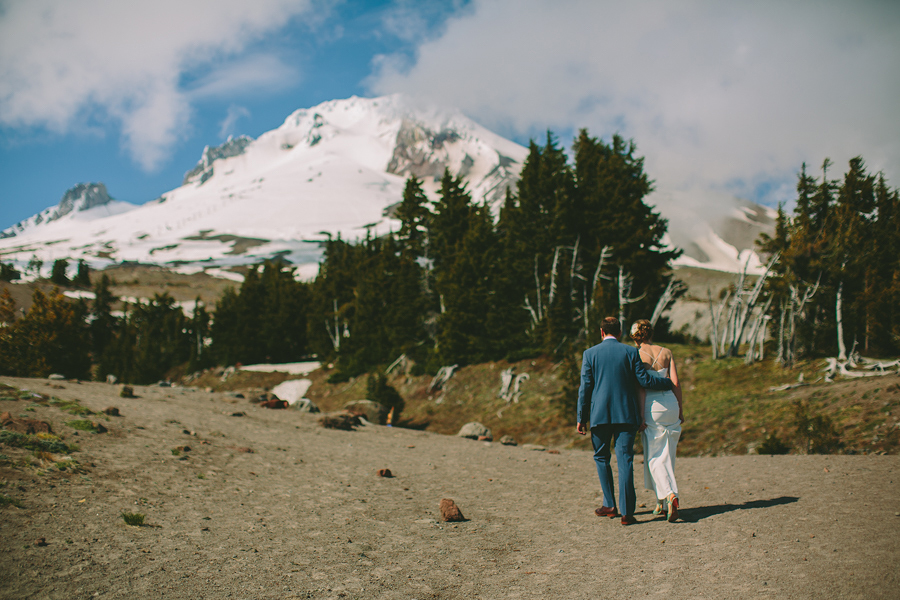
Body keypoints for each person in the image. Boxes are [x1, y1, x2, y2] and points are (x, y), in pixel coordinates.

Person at [576, 317, 673, 525]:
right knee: (625, 460)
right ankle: (628, 512)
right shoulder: (630, 352)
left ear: (601, 332)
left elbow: (585, 388)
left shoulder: (589, 354)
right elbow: (644, 380)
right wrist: (667, 383)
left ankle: (610, 505)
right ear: (619, 333)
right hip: (626, 415)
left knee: (602, 458)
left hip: (599, 416)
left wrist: (581, 418)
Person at [631, 319, 684, 523]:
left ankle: (670, 495)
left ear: (635, 336)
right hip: (670, 404)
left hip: (651, 407)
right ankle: (660, 502)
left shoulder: (636, 354)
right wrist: (680, 409)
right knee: (667, 454)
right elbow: (675, 383)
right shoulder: (667, 352)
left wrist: (641, 416)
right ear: (650, 333)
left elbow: (641, 387)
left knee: (654, 456)